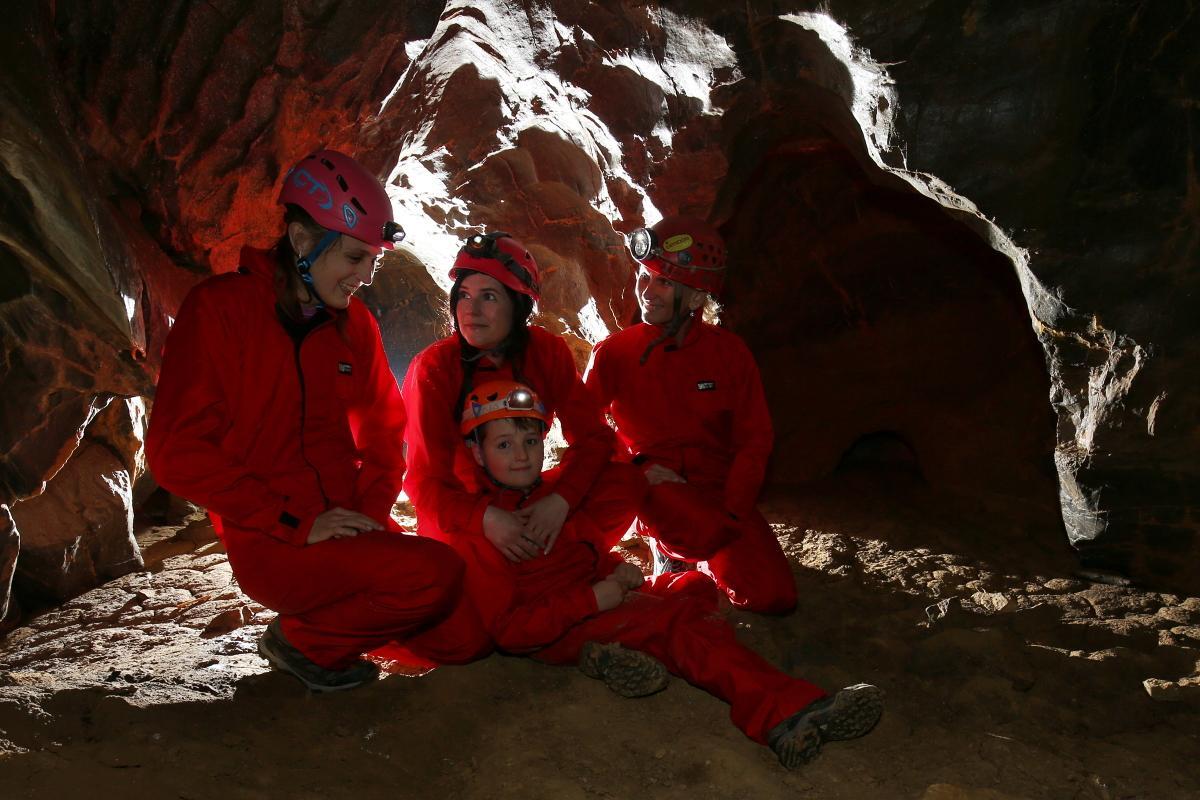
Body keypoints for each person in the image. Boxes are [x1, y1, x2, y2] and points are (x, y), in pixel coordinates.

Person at [145, 149, 488, 692]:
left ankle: (332, 624)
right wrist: (291, 523)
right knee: (435, 575)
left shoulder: (355, 327)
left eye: (372, 261)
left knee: (464, 636)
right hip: (275, 542)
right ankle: (302, 642)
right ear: (303, 241)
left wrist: (366, 513)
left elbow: (383, 434)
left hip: (344, 526)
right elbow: (173, 454)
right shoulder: (220, 312)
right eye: (354, 258)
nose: (365, 276)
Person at [451, 379, 884, 769]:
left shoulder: (550, 498)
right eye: (503, 445)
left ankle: (612, 654)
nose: (522, 454)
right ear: (476, 452)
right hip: (561, 625)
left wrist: (615, 569)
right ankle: (784, 713)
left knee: (690, 585)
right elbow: (508, 632)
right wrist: (595, 599)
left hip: (591, 602)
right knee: (676, 624)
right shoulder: (482, 534)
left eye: (529, 439)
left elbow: (588, 553)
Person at [585, 215, 797, 613]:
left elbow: (755, 439)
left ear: (698, 298)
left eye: (664, 282)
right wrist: (637, 465)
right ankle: (673, 548)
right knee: (696, 529)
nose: (647, 291)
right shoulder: (614, 354)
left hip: (719, 493)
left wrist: (733, 511)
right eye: (644, 277)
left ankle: (706, 549)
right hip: (656, 487)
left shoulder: (729, 354)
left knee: (773, 596)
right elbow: (584, 428)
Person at [402, 231, 643, 561]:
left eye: (488, 297)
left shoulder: (546, 352)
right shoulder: (434, 368)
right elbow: (424, 482)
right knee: (457, 558)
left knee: (623, 479)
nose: (471, 310)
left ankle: (563, 559)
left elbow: (595, 439)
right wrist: (485, 518)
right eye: (464, 296)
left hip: (529, 496)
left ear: (517, 306)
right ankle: (551, 562)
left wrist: (561, 501)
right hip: (467, 509)